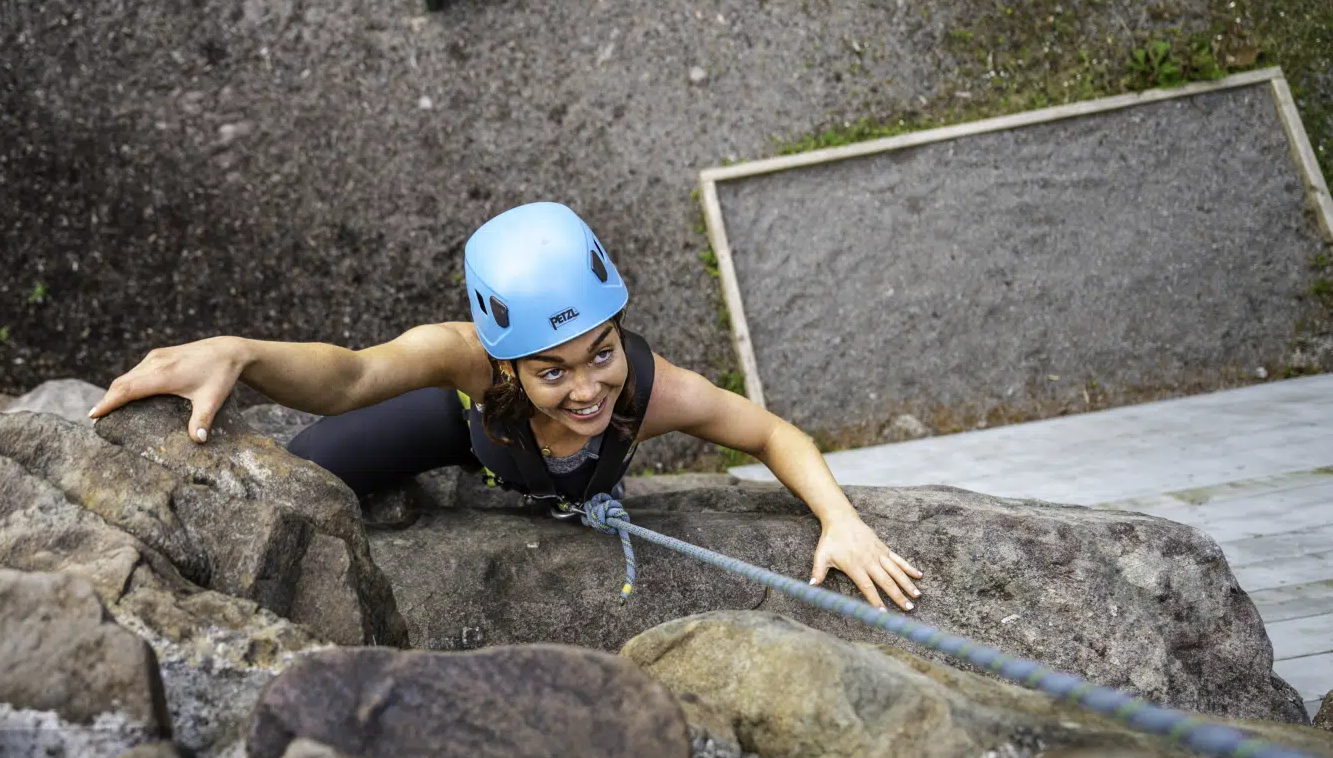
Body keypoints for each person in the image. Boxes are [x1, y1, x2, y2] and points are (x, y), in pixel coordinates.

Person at [89, 202, 924, 611]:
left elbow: (774, 433)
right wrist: (242, 353)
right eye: (551, 371)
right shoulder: (465, 358)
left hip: (546, 480)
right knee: (291, 481)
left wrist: (839, 521)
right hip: (461, 440)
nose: (590, 387)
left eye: (600, 351)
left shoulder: (647, 390)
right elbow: (348, 379)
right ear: (504, 361)